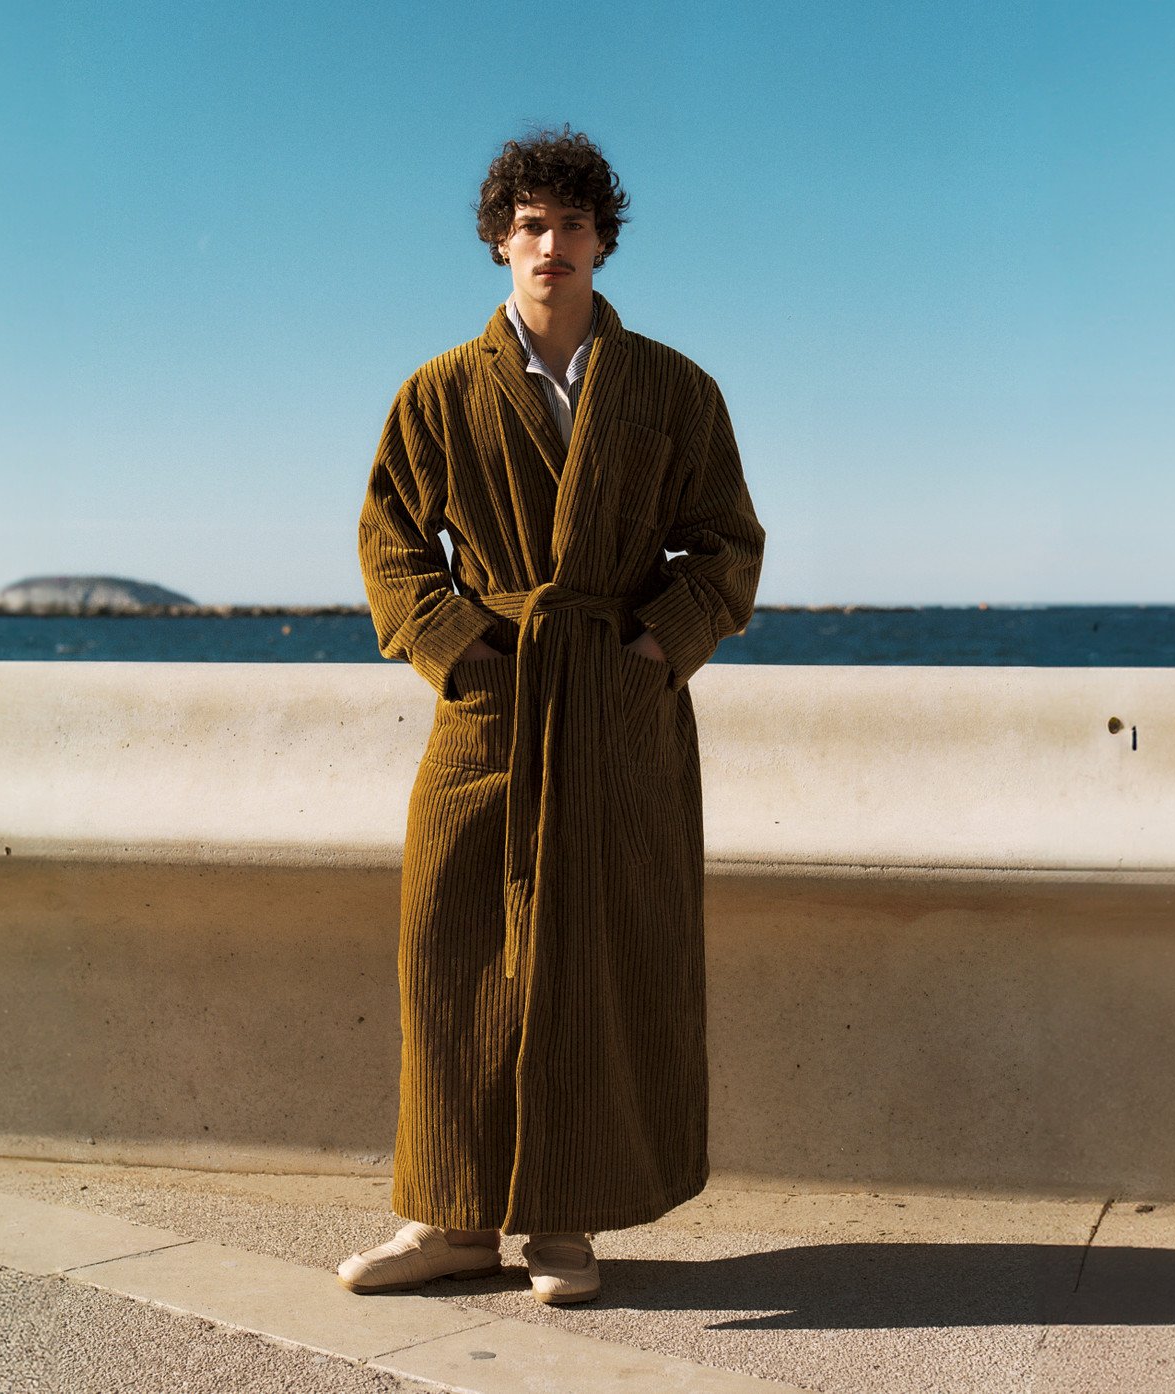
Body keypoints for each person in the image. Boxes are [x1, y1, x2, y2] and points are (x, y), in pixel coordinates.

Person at [345, 127, 764, 1306]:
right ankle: (450, 1216)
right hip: (492, 710)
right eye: (531, 225)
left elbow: (729, 548)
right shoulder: (438, 392)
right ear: (499, 242)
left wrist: (647, 651)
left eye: (572, 224)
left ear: (601, 241)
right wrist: (461, 650)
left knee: (597, 963)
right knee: (454, 953)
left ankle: (567, 1221)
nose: (552, 244)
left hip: (615, 715)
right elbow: (389, 543)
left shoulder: (674, 388)